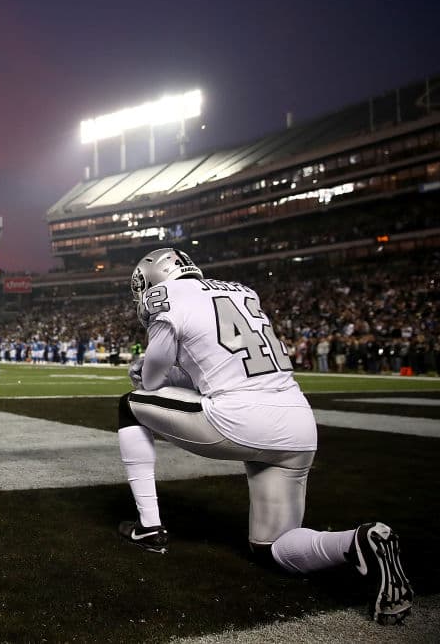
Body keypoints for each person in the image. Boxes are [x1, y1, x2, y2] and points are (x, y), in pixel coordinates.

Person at [117, 247, 413, 625]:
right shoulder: (242, 291)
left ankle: (149, 527)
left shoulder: (168, 296)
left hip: (239, 420)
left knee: (130, 404)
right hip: (298, 426)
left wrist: (144, 371)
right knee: (272, 547)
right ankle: (359, 541)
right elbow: (219, 369)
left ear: (154, 279)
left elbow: (155, 381)